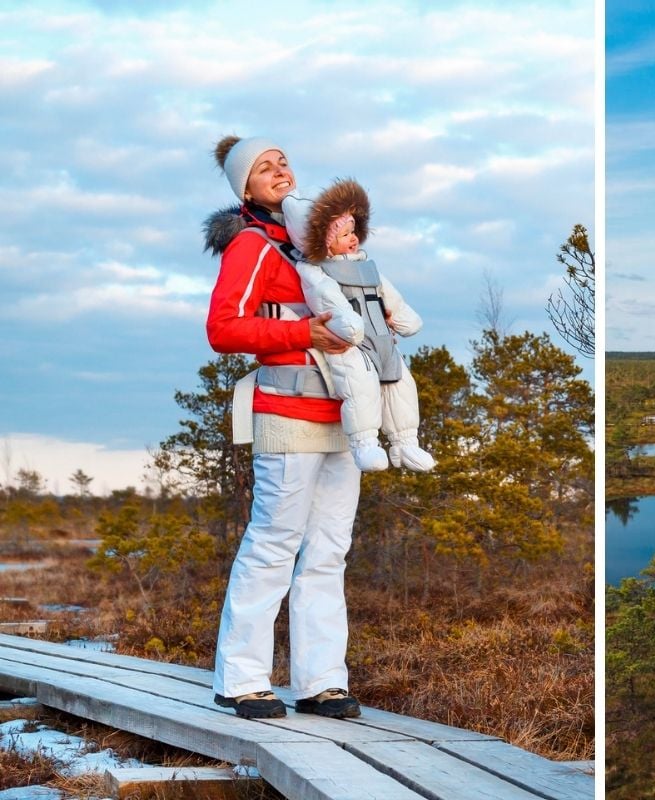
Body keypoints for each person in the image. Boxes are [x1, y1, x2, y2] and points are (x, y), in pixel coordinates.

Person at [203, 134, 361, 720]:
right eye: (264, 167)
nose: (279, 171)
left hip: (342, 413)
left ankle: (321, 682)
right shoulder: (250, 245)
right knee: (273, 543)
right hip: (287, 412)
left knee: (328, 551)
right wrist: (301, 334)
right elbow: (223, 329)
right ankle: (241, 680)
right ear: (244, 187)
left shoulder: (312, 246)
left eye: (284, 161)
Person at [281, 178, 436, 474]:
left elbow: (387, 293)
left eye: (353, 231)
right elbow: (326, 298)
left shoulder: (365, 264)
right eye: (344, 235)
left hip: (381, 336)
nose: (353, 238)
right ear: (324, 243)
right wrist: (346, 322)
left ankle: (405, 442)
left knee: (401, 383)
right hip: (350, 344)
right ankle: (365, 443)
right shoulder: (317, 271)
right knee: (360, 387)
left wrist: (400, 316)